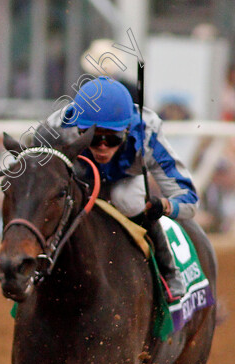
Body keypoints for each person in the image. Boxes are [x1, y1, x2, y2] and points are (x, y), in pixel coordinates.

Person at [44, 75, 197, 300]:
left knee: (129, 198)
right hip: (79, 180)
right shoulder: (56, 129)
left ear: (127, 129)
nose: (103, 147)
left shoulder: (147, 132)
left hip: (125, 182)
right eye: (93, 138)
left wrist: (163, 206)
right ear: (78, 129)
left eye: (112, 138)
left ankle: (168, 271)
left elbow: (189, 200)